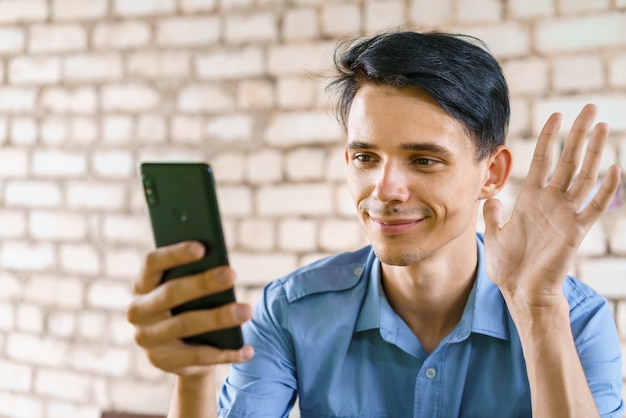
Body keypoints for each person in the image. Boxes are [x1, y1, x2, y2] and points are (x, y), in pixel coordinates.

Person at [127, 30, 624, 417]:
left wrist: (537, 310)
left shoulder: (574, 320)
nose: (385, 189)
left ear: (490, 174)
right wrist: (193, 378)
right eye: (365, 156)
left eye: (424, 160)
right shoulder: (291, 312)